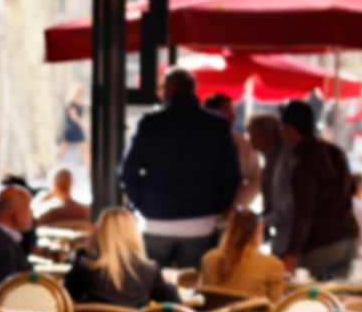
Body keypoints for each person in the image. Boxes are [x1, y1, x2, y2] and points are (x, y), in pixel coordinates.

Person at [117, 68, 244, 269]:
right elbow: (232, 175)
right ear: (193, 90)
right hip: (201, 222)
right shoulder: (217, 125)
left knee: (152, 286)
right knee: (193, 288)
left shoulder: (151, 123)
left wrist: (143, 204)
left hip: (156, 219)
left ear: (167, 90)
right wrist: (217, 208)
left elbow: (127, 172)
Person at [278, 98, 356, 281]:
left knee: (303, 294)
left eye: (283, 127)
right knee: (338, 299)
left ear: (290, 129)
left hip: (324, 243)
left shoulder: (305, 164)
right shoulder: (335, 152)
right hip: (350, 237)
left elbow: (303, 214)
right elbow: (351, 190)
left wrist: (291, 253)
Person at [63, 207, 180, 308]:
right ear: (134, 234)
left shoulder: (85, 266)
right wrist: (169, 286)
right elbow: (173, 304)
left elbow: (67, 296)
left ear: (101, 232)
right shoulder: (150, 270)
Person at [198, 208, 287, 294]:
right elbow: (276, 306)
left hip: (215, 309)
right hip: (254, 310)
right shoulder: (272, 265)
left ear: (228, 230)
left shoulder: (208, 259)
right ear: (257, 231)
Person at [206, 93, 262, 209]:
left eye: (232, 111)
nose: (232, 116)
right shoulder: (199, 144)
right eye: (226, 112)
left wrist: (238, 201)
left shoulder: (242, 144)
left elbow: (256, 178)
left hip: (232, 212)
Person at [247, 112, 292, 244]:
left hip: (288, 233)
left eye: (253, 135)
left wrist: (262, 222)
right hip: (282, 229)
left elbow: (286, 207)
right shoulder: (272, 157)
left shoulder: (283, 158)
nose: (250, 141)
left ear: (268, 134)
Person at [57, 85, 88, 167]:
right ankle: (55, 162)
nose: (82, 95)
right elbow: (74, 117)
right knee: (64, 146)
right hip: (71, 128)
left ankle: (88, 165)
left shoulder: (80, 104)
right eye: (81, 93)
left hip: (77, 128)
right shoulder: (72, 104)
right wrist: (84, 124)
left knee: (84, 147)